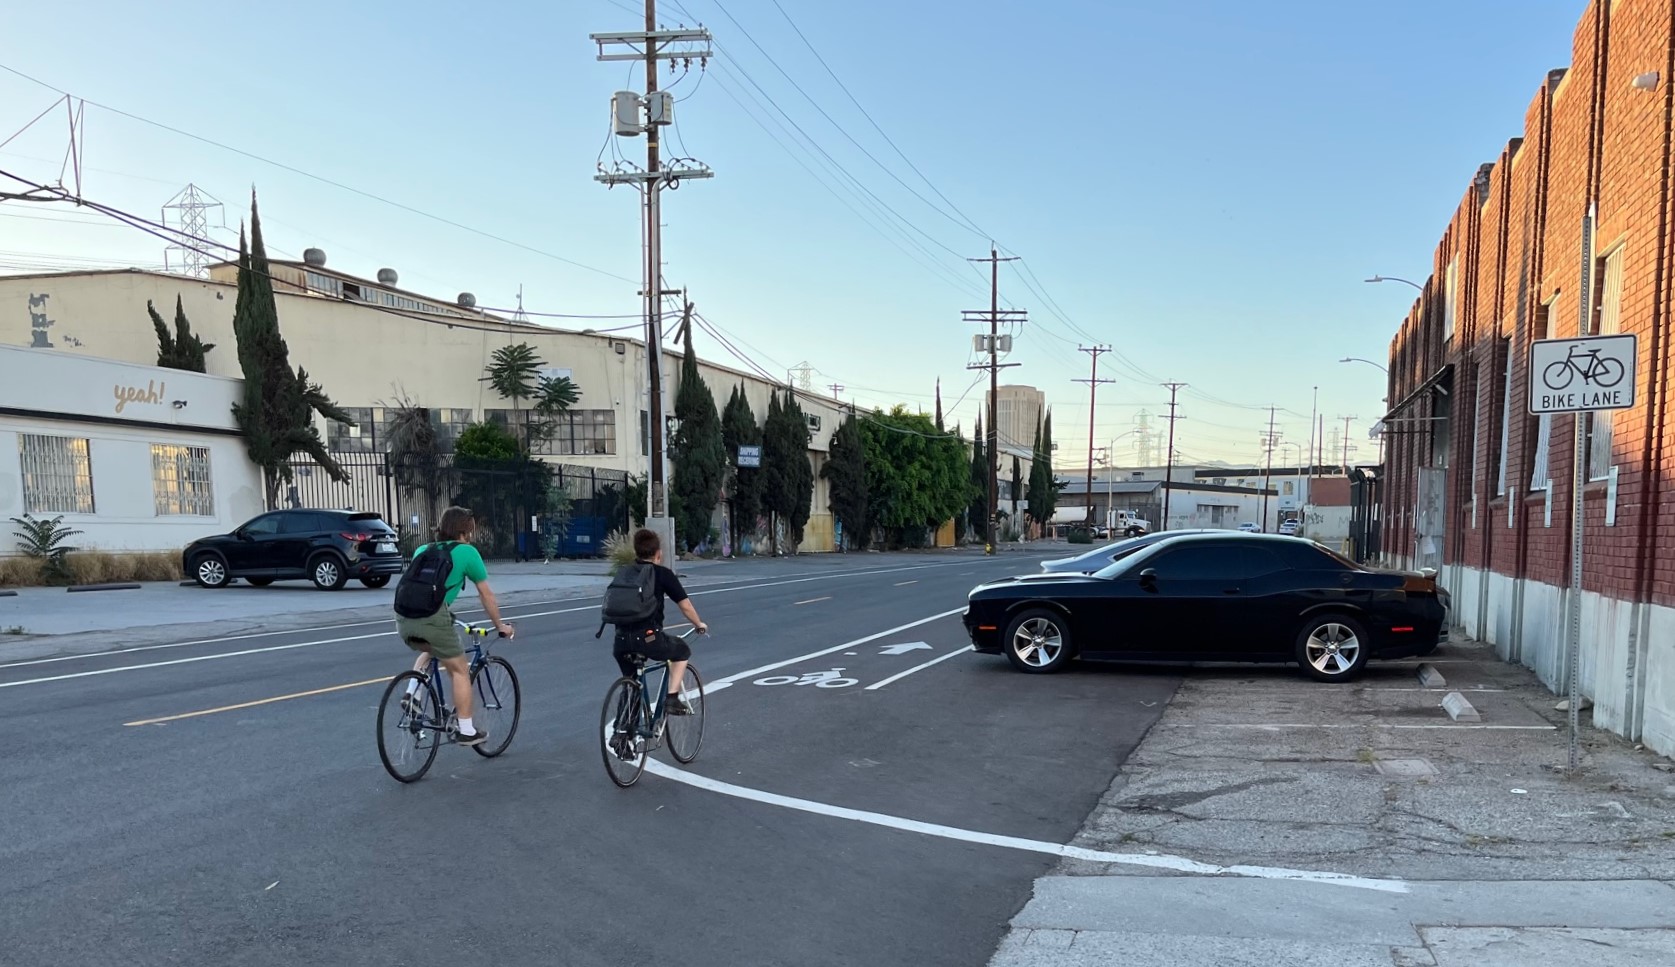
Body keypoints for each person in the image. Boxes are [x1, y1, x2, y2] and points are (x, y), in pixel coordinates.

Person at [396, 506, 514, 746]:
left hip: (403, 617)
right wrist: (500, 625)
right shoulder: (467, 553)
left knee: (430, 649)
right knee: (459, 668)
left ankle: (413, 694)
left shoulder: (423, 549)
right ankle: (467, 729)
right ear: (466, 530)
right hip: (433, 617)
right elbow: (486, 595)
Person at [615, 527, 707, 714]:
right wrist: (699, 624)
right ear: (658, 553)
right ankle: (672, 699)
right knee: (682, 650)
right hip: (649, 639)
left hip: (621, 640)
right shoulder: (663, 574)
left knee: (631, 683)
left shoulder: (624, 572)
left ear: (636, 551)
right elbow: (686, 606)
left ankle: (622, 732)